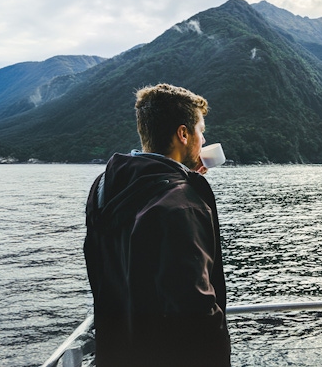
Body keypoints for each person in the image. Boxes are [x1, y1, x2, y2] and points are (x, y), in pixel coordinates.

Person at [84, 83, 230, 366]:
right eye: (201, 131)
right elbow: (196, 311)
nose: (203, 140)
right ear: (183, 134)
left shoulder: (104, 188)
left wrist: (182, 174)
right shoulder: (182, 203)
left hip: (116, 352)